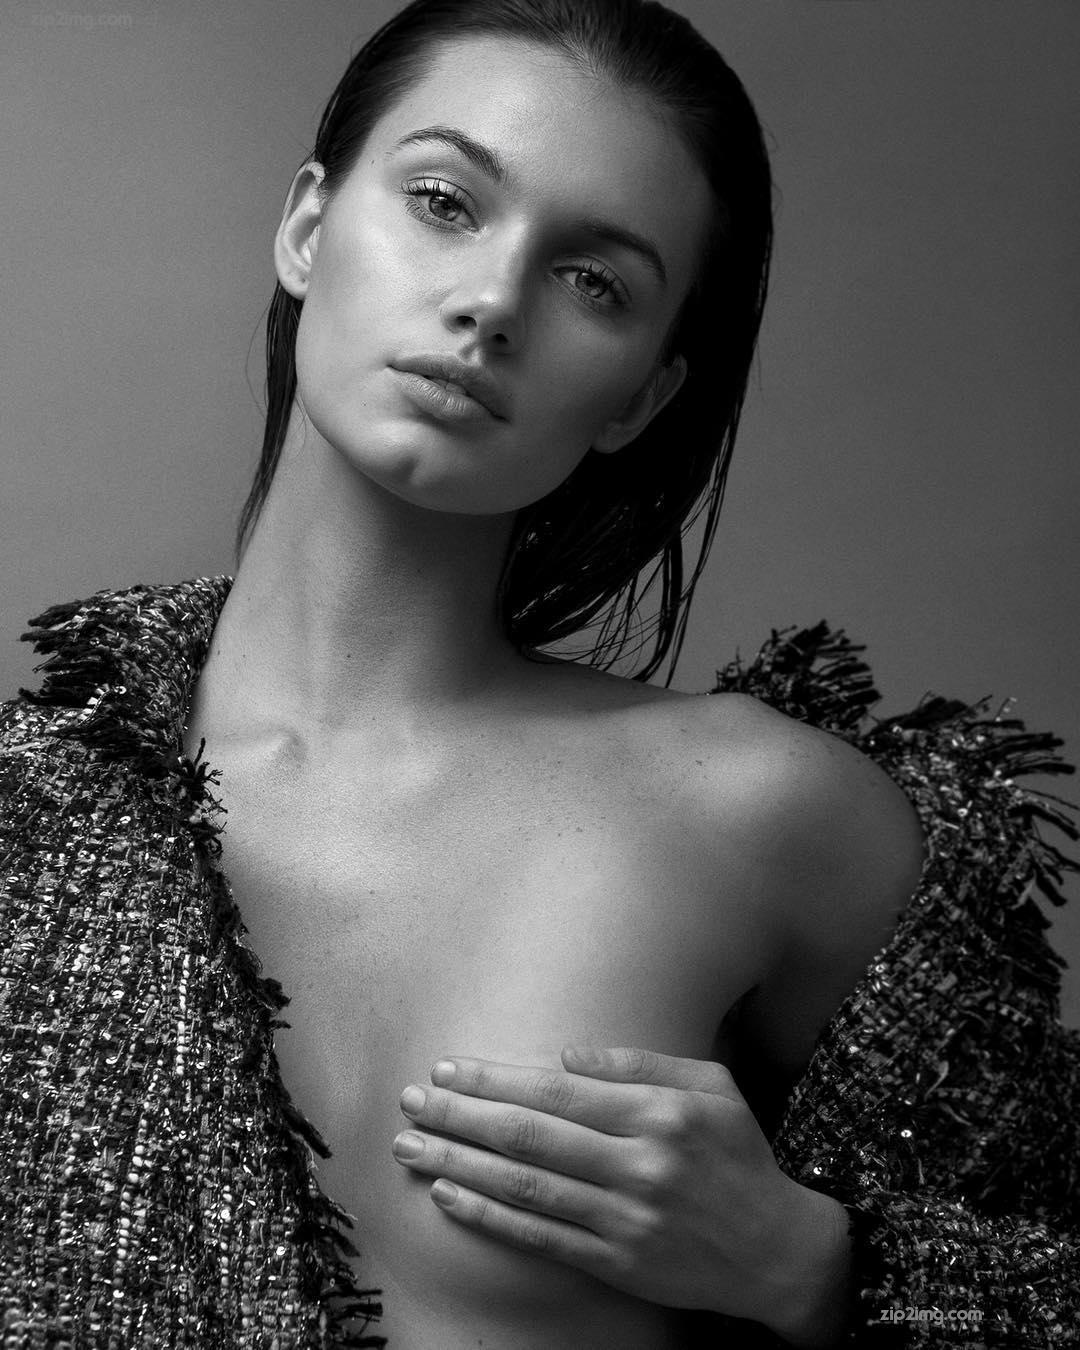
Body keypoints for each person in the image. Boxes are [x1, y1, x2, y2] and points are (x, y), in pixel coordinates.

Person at [1, 1, 1077, 1348]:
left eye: (594, 281)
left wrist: (814, 1267)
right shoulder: (33, 834)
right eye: (445, 203)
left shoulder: (762, 813)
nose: (493, 303)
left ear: (641, 394)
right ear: (308, 227)